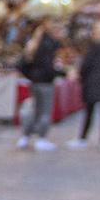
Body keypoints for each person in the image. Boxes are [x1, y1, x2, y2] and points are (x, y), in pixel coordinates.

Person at [16, 18, 60, 150]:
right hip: (45, 82)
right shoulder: (48, 44)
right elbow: (48, 66)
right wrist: (57, 73)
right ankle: (41, 138)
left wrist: (31, 76)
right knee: (44, 111)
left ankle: (25, 136)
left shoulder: (34, 43)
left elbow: (22, 64)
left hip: (35, 82)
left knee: (34, 109)